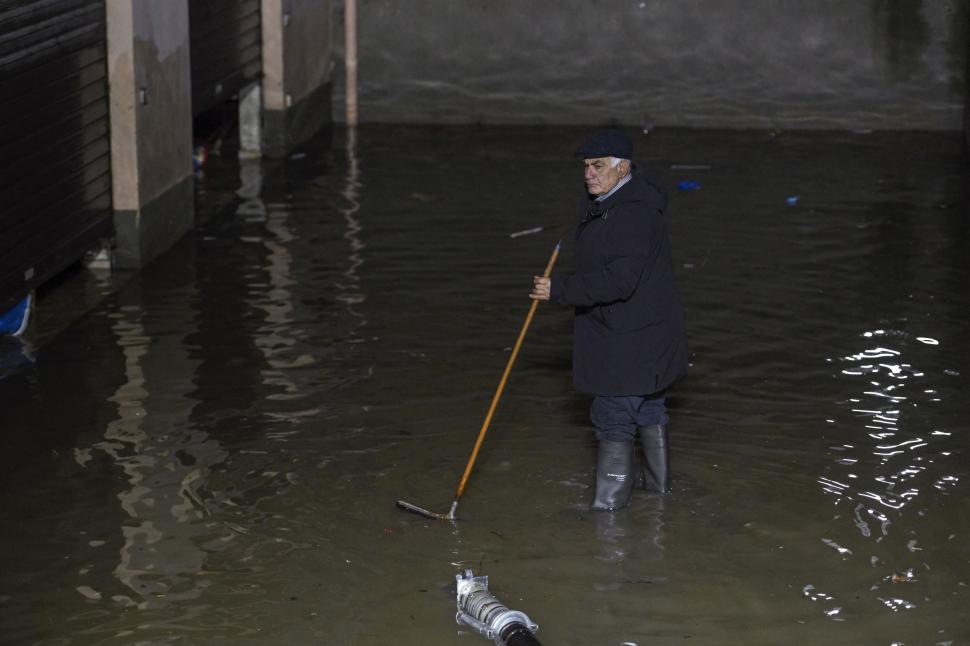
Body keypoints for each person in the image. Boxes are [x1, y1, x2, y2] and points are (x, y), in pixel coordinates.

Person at [530, 129, 688, 511]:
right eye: (586, 166)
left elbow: (619, 281)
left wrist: (559, 290)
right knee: (649, 409)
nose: (589, 174)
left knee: (613, 416)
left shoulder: (631, 215)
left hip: (628, 342)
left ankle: (607, 515)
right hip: (647, 339)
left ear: (623, 168)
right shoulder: (621, 203)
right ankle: (658, 502)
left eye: (598, 165)